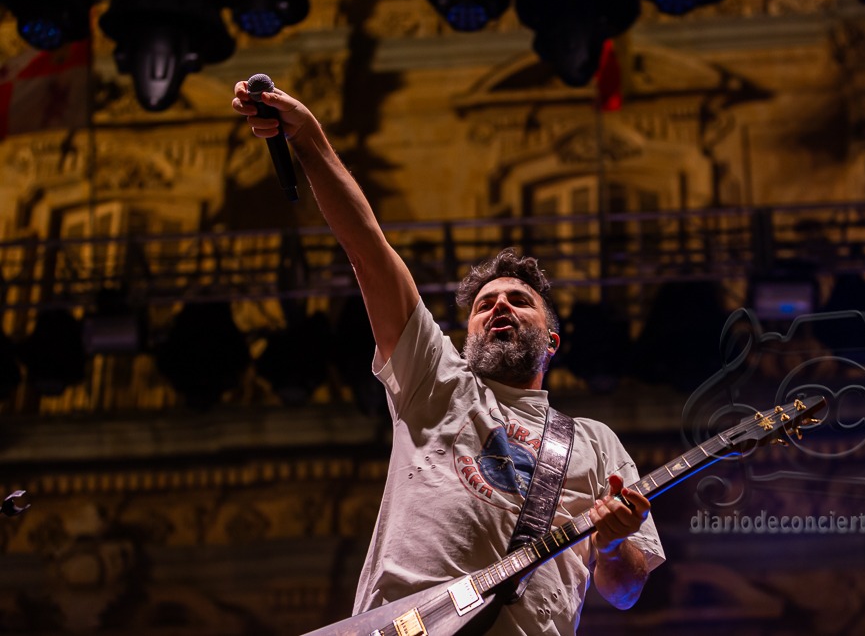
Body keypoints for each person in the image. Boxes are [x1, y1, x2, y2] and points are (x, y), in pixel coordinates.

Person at [232, 81, 664, 635]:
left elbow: (624, 593)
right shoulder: (436, 380)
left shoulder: (595, 442)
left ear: (552, 341)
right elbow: (367, 249)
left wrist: (616, 539)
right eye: (486, 304)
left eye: (519, 300)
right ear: (466, 337)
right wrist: (310, 138)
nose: (500, 306)